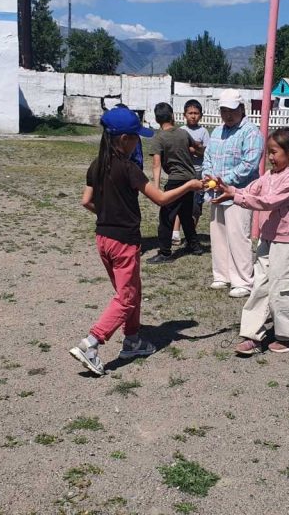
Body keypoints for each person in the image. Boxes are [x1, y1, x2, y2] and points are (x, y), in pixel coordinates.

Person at [70, 107, 203, 376]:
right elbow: (161, 199)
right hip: (124, 242)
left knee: (131, 291)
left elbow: (86, 201)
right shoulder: (129, 168)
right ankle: (91, 343)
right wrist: (189, 185)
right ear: (124, 139)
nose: (137, 143)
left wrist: (106, 215)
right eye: (135, 138)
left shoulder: (96, 165)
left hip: (103, 239)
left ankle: (132, 340)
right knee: (127, 297)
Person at [212, 128, 289, 355]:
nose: (270, 157)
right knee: (259, 288)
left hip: (285, 244)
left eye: (274, 152)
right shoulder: (268, 175)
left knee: (282, 290)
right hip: (267, 240)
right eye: (269, 152)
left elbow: (268, 201)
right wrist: (229, 189)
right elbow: (249, 191)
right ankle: (252, 335)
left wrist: (237, 197)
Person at [202, 89, 263, 298]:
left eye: (232, 110)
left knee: (238, 236)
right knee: (218, 233)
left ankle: (243, 280)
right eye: (224, 110)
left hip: (239, 192)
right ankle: (222, 275)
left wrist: (224, 181)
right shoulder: (216, 131)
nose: (227, 115)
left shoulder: (250, 132)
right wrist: (208, 177)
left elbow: (250, 164)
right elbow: (208, 157)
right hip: (216, 191)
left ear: (242, 109)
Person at [148, 102, 202, 262]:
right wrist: (199, 151)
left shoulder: (159, 138)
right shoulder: (183, 133)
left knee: (166, 216)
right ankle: (194, 245)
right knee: (185, 214)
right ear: (172, 116)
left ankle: (165, 253)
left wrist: (156, 188)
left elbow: (156, 164)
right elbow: (196, 147)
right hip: (190, 178)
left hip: (176, 180)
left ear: (157, 120)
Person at [174, 99, 210, 242]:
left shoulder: (204, 132)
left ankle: (191, 235)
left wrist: (195, 150)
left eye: (196, 113)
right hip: (183, 172)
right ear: (184, 115)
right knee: (179, 201)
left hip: (198, 172)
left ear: (201, 115)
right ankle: (175, 232)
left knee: (196, 205)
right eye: (190, 113)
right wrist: (194, 148)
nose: (193, 116)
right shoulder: (180, 131)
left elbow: (206, 152)